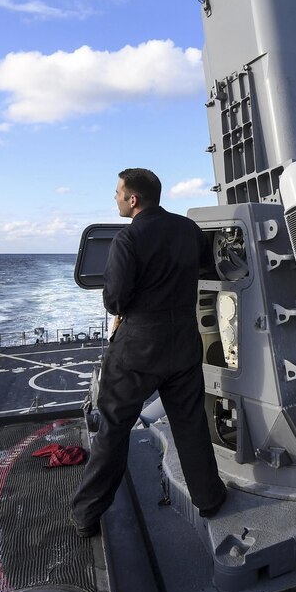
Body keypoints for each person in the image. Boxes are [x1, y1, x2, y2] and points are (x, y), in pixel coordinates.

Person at [69, 168, 228, 537]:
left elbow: (115, 301)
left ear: (133, 199)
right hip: (185, 342)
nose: (116, 198)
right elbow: (207, 266)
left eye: (118, 193)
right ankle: (209, 498)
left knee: (112, 427)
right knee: (190, 424)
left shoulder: (127, 239)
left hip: (138, 346)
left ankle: (86, 514)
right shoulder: (188, 229)